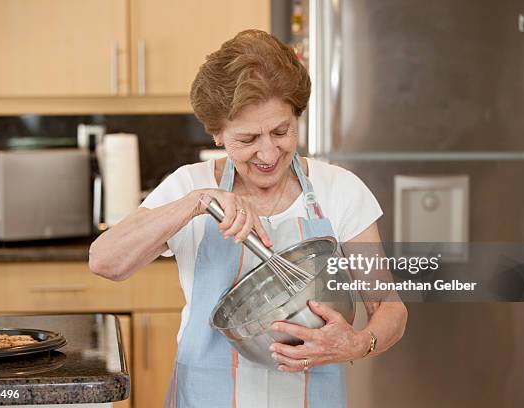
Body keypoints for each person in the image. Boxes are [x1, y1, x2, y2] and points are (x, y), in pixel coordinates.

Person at [89, 29, 407, 408]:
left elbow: (389, 308)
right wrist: (197, 202)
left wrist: (358, 342)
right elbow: (105, 261)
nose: (269, 153)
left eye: (281, 131)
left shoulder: (338, 189)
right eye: (247, 139)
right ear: (218, 134)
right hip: (208, 397)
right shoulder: (191, 184)